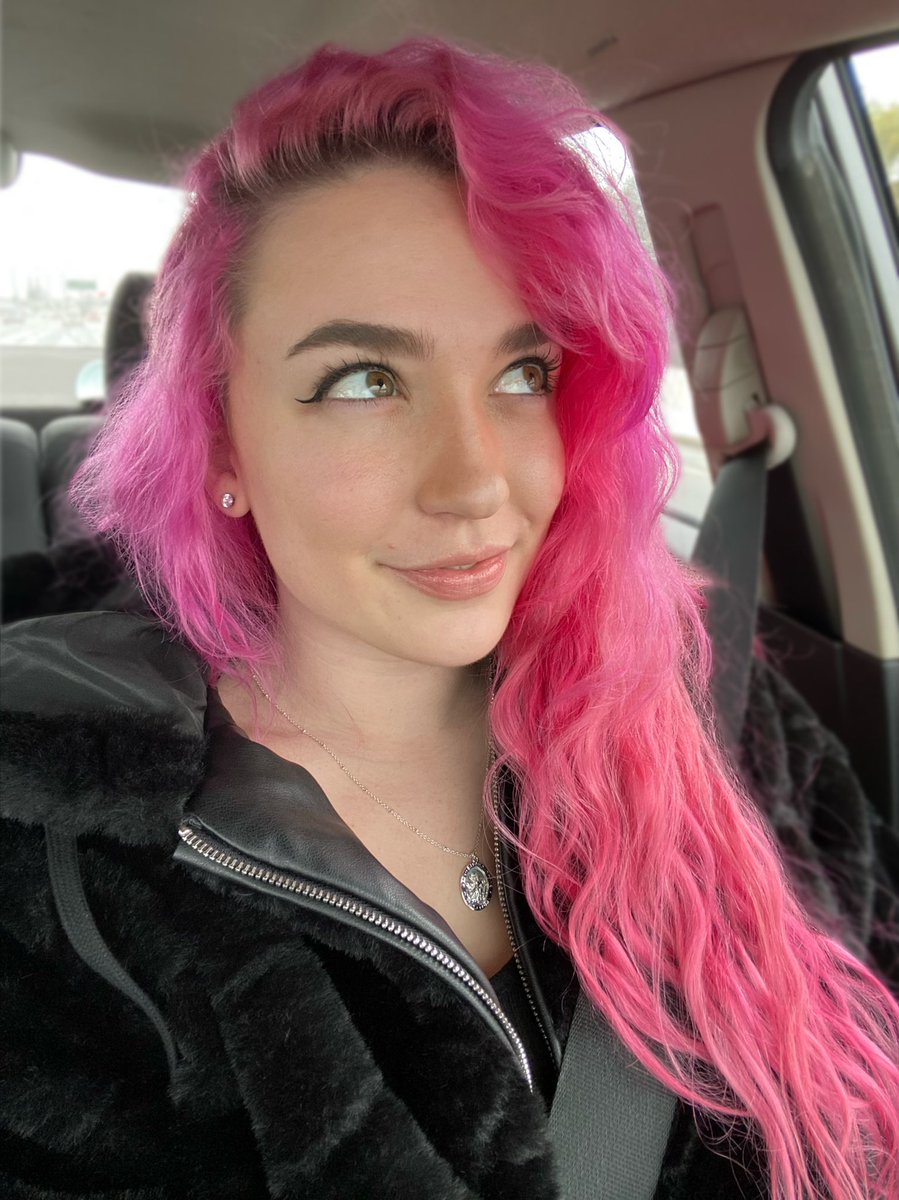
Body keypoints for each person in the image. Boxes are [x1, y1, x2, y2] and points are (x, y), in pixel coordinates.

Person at [2, 38, 898, 1200]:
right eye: (363, 381)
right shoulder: (63, 878)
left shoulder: (712, 713)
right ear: (220, 447)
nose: (473, 482)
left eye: (524, 373)